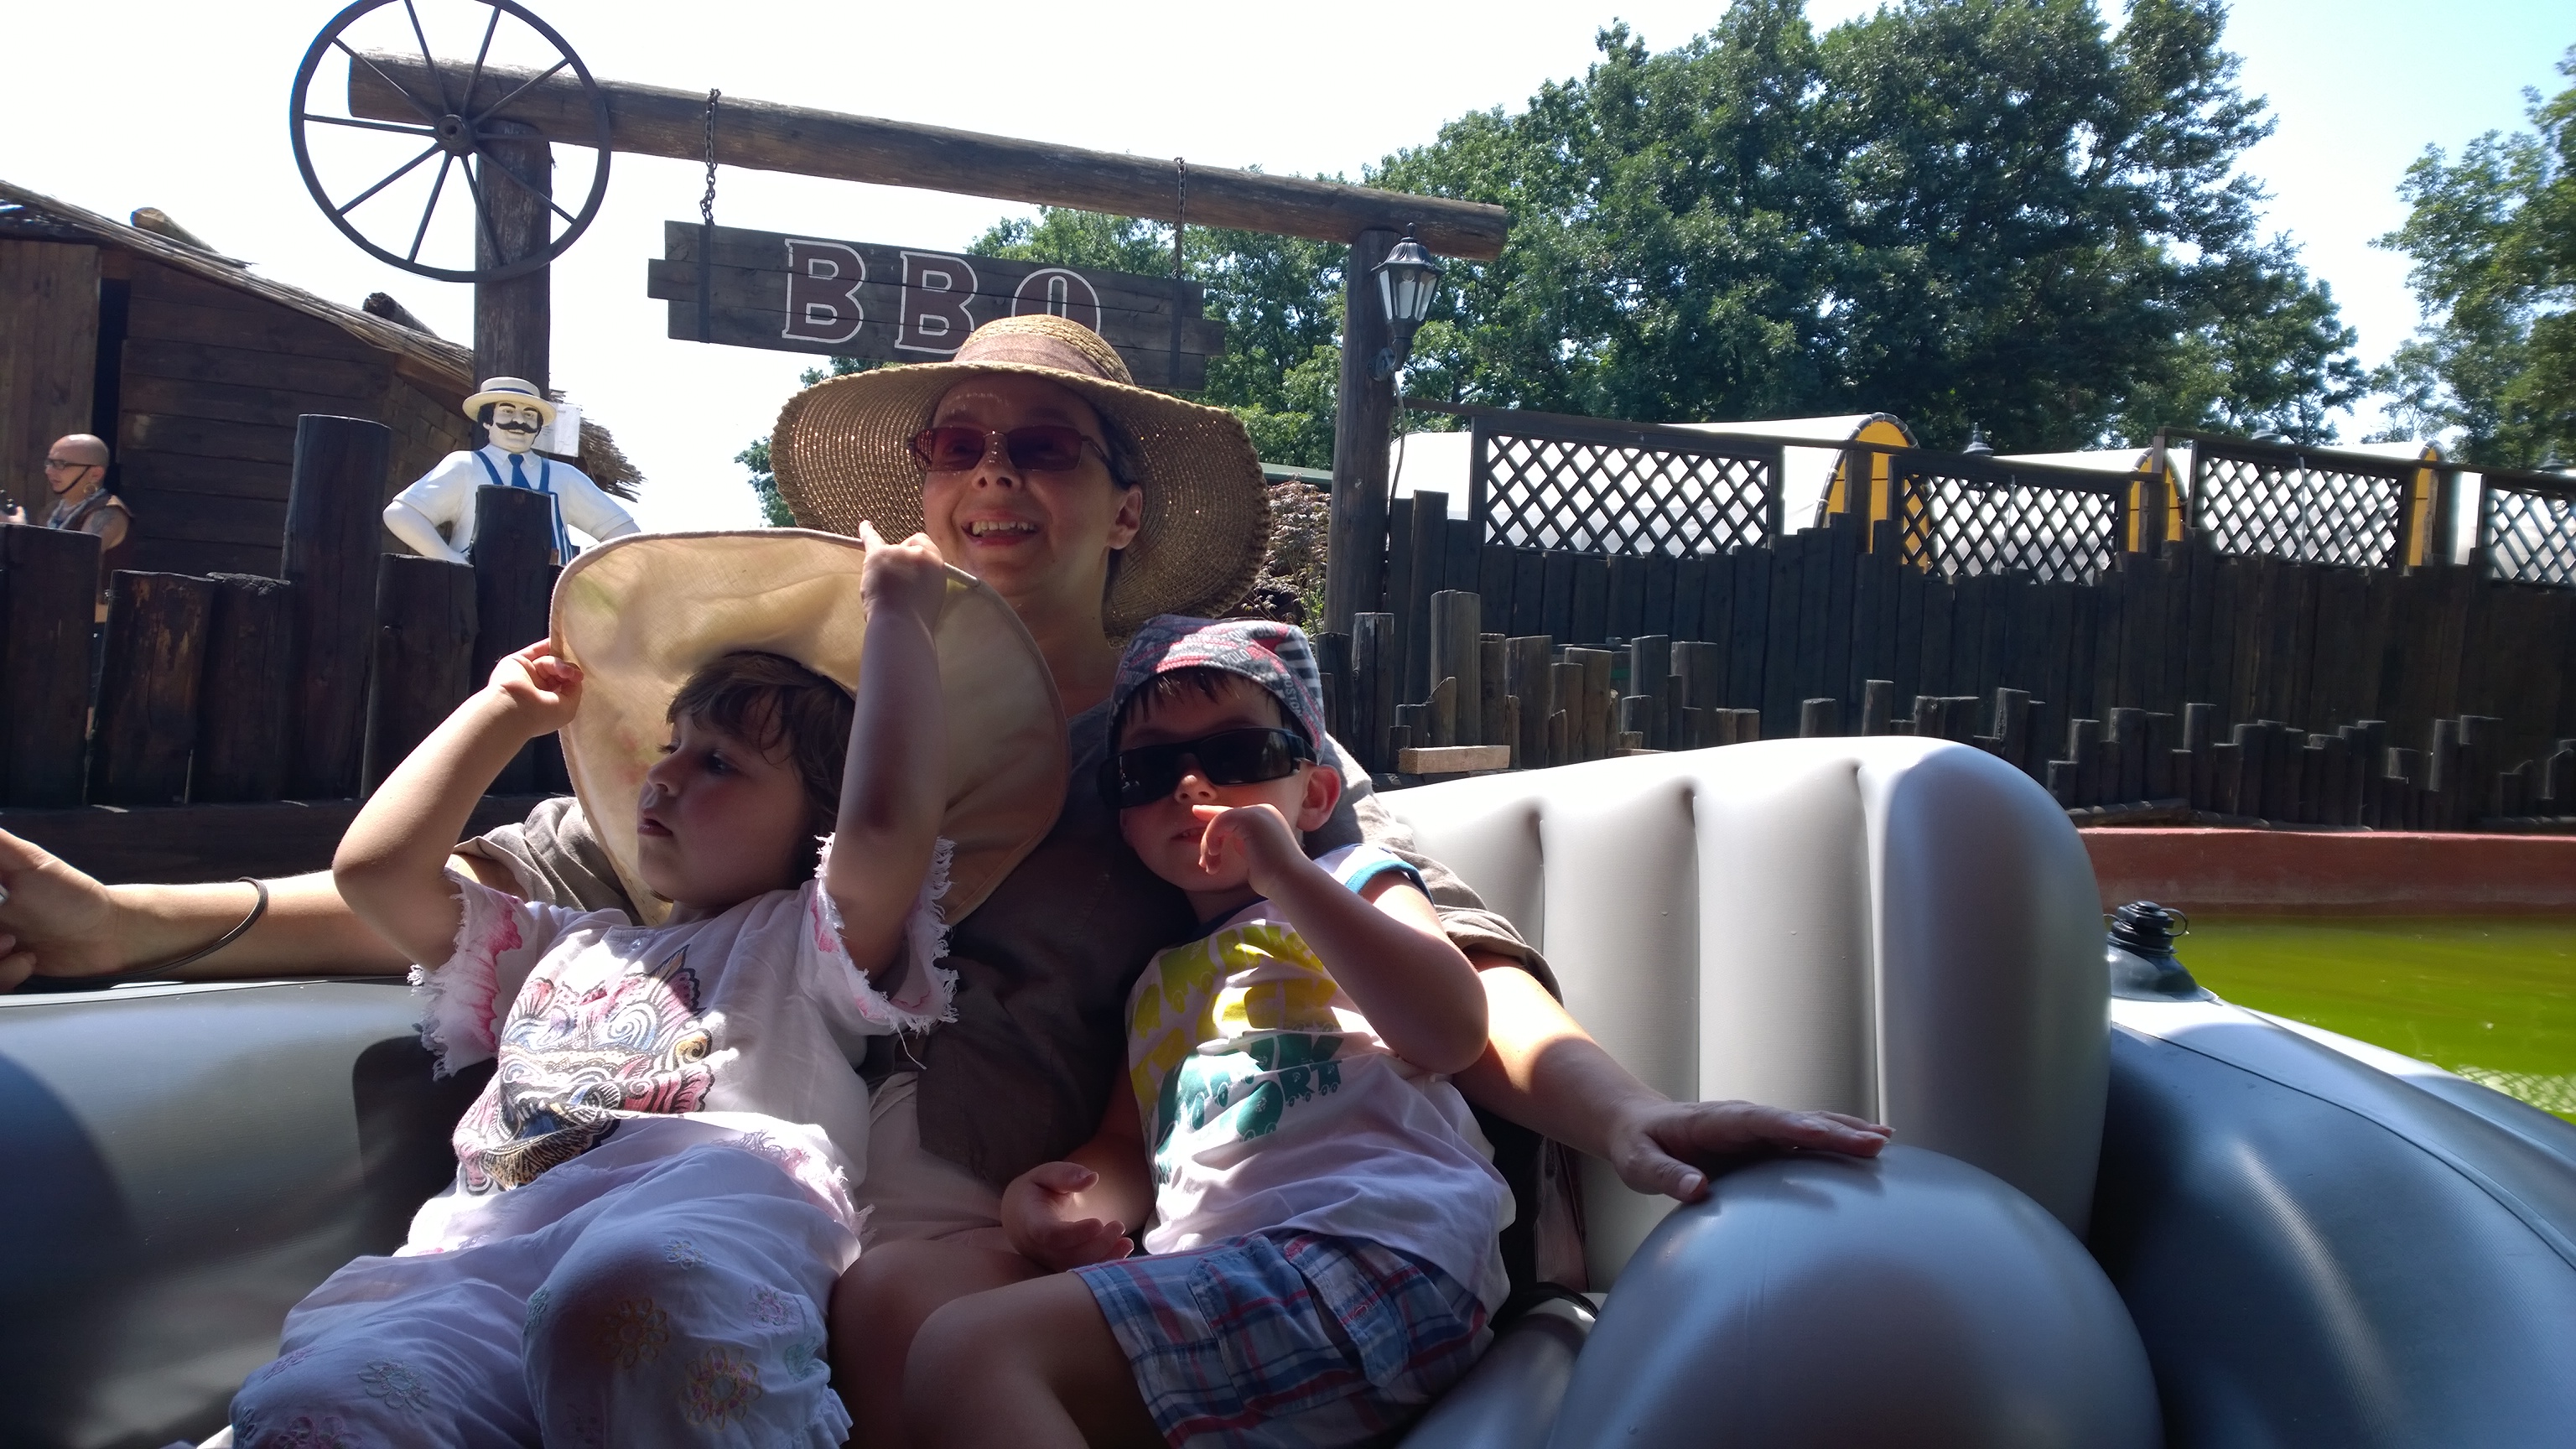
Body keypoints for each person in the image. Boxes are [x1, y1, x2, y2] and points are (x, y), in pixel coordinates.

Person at [0, 316, 1888, 1440]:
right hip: (698, 1189)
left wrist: (1619, 1112)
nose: (995, 476)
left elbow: (1416, 936)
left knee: (896, 1307)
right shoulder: (812, 715)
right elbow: (521, 903)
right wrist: (127, 922)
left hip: (959, 1224)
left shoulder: (1180, 741)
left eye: (1043, 449)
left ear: (1123, 506)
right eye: (958, 444)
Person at [228, 523, 1066, 1446]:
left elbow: (884, 832)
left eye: (719, 763)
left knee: (624, 1303)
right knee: (313, 1403)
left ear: (818, 824)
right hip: (483, 1251)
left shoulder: (804, 940)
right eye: (672, 744)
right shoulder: (562, 942)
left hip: (701, 1217)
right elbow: (376, 875)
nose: (663, 775)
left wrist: (899, 619)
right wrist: (499, 712)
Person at [906, 615, 1514, 1448]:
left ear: (1317, 795)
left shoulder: (1351, 880)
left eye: (1238, 756)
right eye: (1150, 770)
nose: (1192, 785)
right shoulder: (1154, 982)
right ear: (1123, 816)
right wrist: (1055, 1203)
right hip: (1227, 1274)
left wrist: (1288, 875)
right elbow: (1127, 1148)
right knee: (936, 1334)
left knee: (967, 1353)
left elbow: (1450, 1030)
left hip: (1374, 1243)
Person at [383, 377, 639, 564]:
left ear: (538, 426)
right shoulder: (465, 466)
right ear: (487, 420)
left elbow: (625, 533)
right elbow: (401, 514)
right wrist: (452, 561)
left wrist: (582, 573)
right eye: (507, 411)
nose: (519, 421)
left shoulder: (565, 476)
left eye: (529, 415)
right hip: (474, 602)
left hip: (549, 602)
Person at [5, 433, 132, 583]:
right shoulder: (51, 511)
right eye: (49, 462)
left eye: (61, 464)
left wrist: (19, 530)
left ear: (95, 474)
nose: (48, 471)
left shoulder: (109, 511)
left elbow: (75, 563)